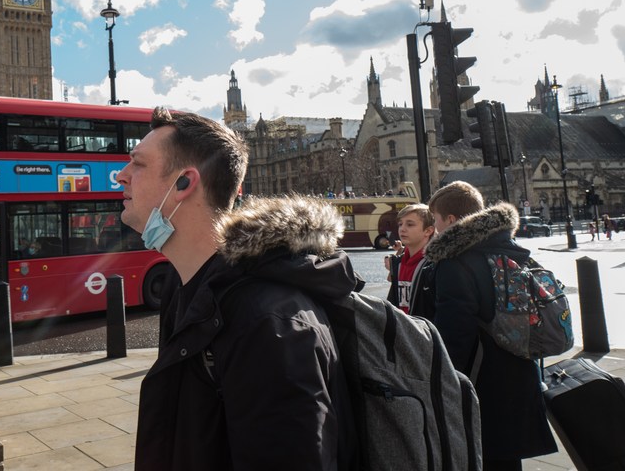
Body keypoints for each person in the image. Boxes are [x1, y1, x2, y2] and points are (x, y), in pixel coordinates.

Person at [119, 107, 358, 471]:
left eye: (137, 164)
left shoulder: (269, 324)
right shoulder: (181, 289)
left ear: (184, 183)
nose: (121, 176)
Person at [422, 181, 557, 470]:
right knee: (508, 460)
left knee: (479, 458)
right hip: (520, 371)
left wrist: (442, 385)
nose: (434, 228)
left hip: (481, 382)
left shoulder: (455, 262)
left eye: (435, 220)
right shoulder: (510, 249)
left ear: (452, 220)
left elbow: (454, 334)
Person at [385, 203, 435, 314]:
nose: (402, 229)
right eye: (400, 224)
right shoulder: (398, 262)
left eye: (410, 224)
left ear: (428, 231)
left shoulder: (433, 264)